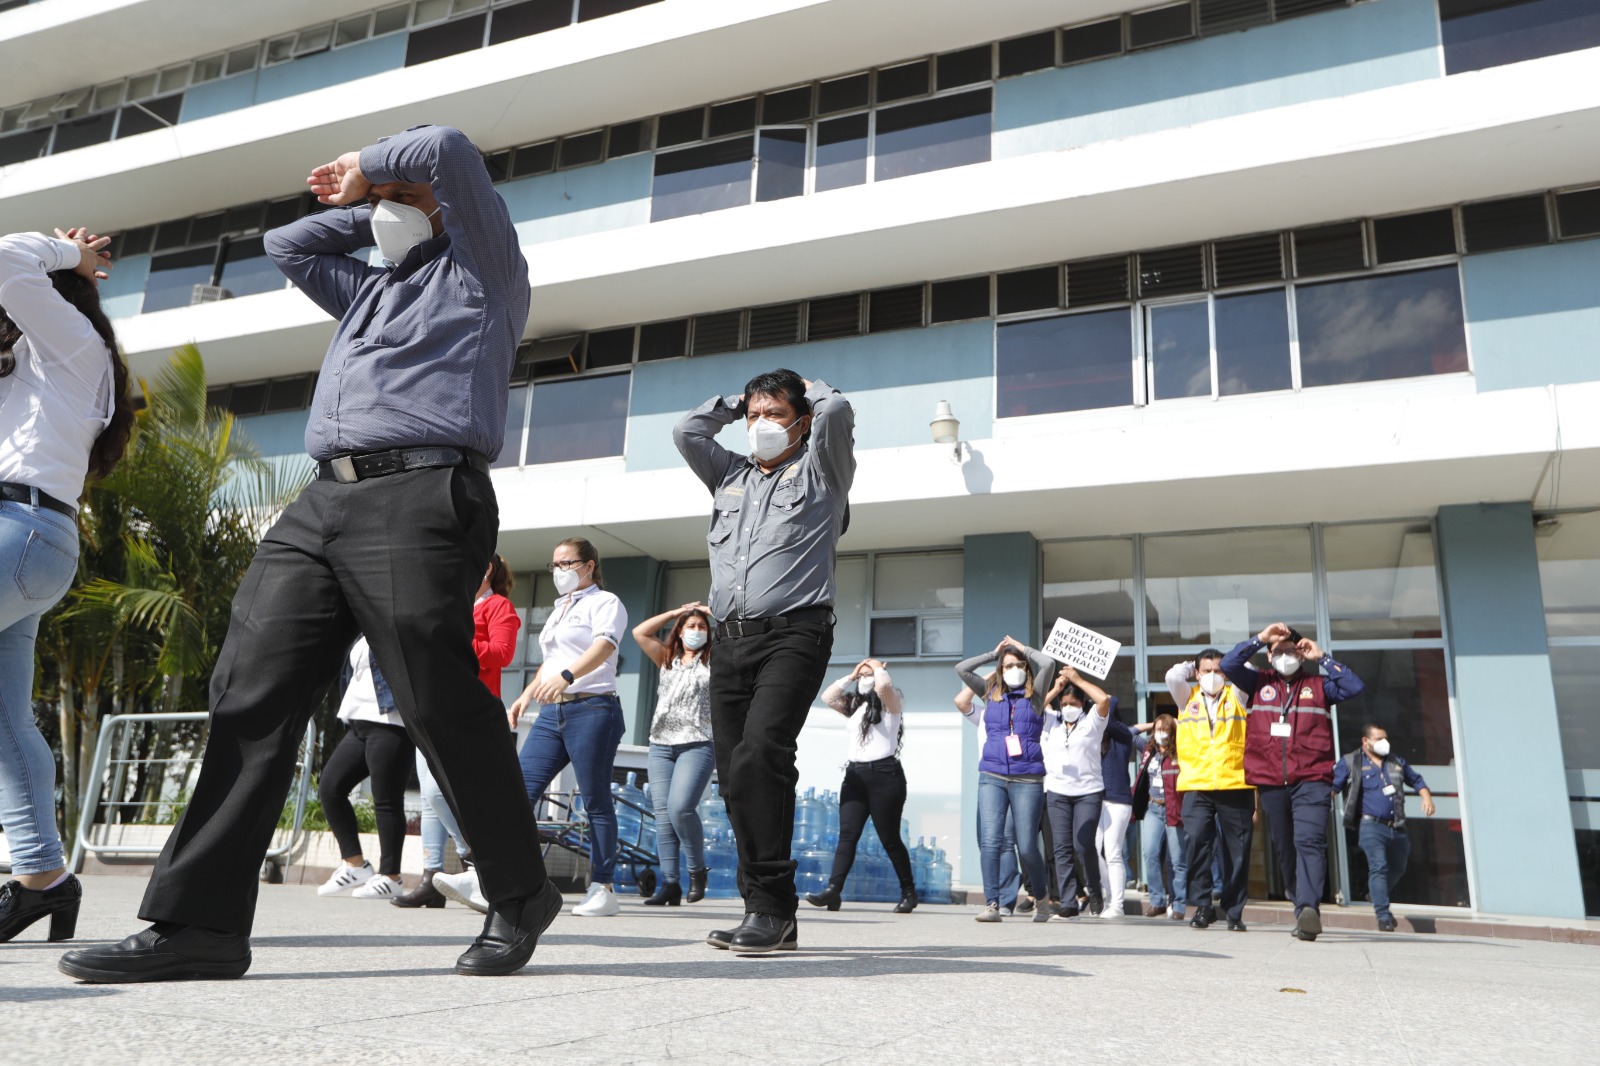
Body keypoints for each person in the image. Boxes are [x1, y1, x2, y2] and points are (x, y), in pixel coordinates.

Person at [61, 125, 558, 983]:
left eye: (407, 200)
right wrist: (366, 210)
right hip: (322, 498)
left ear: (449, 213)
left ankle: (520, 892)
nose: (391, 210)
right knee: (248, 689)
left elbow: (446, 147)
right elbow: (286, 242)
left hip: (424, 489)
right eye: (383, 205)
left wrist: (373, 169)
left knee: (436, 695)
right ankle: (200, 926)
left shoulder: (484, 268)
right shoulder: (367, 291)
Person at [674, 369, 854, 954]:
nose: (760, 426)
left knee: (761, 755)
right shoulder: (730, 475)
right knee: (735, 776)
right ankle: (765, 911)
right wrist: (735, 403)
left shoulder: (822, 470)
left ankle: (774, 907)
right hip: (728, 642)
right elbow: (686, 432)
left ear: (801, 421)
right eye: (754, 417)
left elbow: (837, 412)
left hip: (794, 635)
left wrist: (809, 386)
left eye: (774, 415)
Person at [0, 227, 131, 945]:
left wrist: (65, 252)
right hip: (31, 537)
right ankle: (44, 879)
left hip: (17, 529)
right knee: (6, 725)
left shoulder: (71, 340)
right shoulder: (32, 364)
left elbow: (2, 259)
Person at [499, 538, 629, 919]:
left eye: (567, 563)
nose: (559, 571)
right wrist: (526, 694)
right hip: (551, 714)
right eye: (554, 565)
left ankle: (603, 887)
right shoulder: (559, 609)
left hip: (593, 708)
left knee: (595, 800)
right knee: (519, 793)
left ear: (589, 566)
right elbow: (552, 660)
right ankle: (507, 878)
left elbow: (605, 646)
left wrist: (569, 677)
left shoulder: (606, 603)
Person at [1223, 623, 1365, 943]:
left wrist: (1323, 658)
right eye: (1279, 651)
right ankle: (1296, 895)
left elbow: (1354, 686)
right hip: (1271, 780)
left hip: (1312, 778)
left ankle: (1307, 909)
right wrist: (1260, 639)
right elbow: (1228, 664)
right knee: (1285, 847)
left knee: (1309, 841)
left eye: (1292, 650)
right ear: (1269, 655)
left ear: (1301, 654)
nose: (1285, 655)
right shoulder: (1257, 682)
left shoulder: (1319, 685)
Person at [394, 554, 519, 909]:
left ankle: (477, 860)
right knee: (429, 799)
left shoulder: (498, 607)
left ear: (487, 569)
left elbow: (502, 653)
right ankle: (433, 878)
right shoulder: (452, 606)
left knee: (440, 793)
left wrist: (453, 641)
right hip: (432, 706)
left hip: (466, 710)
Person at [957, 638, 1056, 924]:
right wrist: (993, 653)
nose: (1013, 669)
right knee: (990, 842)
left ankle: (1041, 897)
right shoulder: (990, 692)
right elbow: (962, 668)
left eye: (1018, 665)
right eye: (1007, 665)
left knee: (1026, 846)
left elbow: (1048, 663)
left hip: (1028, 779)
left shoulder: (1036, 695)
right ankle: (992, 904)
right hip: (992, 775)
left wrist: (1021, 647)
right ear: (1000, 669)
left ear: (1026, 667)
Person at [807, 658, 916, 914]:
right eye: (862, 675)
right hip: (854, 775)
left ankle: (909, 892)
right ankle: (833, 891)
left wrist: (878, 669)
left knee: (889, 838)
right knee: (847, 835)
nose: (866, 678)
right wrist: (852, 675)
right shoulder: (856, 705)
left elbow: (885, 688)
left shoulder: (891, 704)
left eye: (870, 675)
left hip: (885, 775)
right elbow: (828, 697)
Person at [315, 637, 414, 900]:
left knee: (387, 800)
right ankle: (355, 864)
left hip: (391, 721)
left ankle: (391, 876)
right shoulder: (360, 631)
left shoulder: (391, 621)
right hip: (358, 720)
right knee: (330, 787)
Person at [633, 601, 716, 907]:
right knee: (664, 816)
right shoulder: (668, 659)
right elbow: (640, 632)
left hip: (698, 741)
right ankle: (670, 885)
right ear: (679, 632)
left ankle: (697, 871)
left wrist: (711, 613)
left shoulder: (714, 660)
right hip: (660, 744)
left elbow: (737, 641)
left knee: (681, 808)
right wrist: (674, 614)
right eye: (691, 626)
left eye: (701, 627)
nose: (696, 631)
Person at [1166, 652, 1254, 931]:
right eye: (1207, 670)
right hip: (1196, 784)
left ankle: (1234, 911)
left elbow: (1249, 667)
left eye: (1219, 670)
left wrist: (1230, 664)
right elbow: (1172, 675)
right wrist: (1192, 665)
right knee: (1197, 843)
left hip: (1234, 782)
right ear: (1197, 673)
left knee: (1237, 850)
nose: (1213, 675)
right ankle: (1203, 905)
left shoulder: (1237, 695)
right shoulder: (1186, 696)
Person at [1334, 724, 1434, 933]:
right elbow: (1332, 787)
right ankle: (1383, 915)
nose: (1383, 743)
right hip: (1370, 826)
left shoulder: (1396, 761)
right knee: (1378, 866)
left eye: (1385, 738)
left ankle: (1375, 894)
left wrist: (1426, 797)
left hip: (1397, 826)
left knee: (1398, 866)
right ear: (1365, 741)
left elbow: (1416, 780)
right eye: (1378, 738)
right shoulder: (1352, 761)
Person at [1039, 666, 1112, 919]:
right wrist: (1057, 688)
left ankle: (1094, 891)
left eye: (1073, 702)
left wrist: (1078, 680)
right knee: (1061, 847)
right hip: (1057, 791)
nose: (1068, 706)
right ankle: (1068, 901)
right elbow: (1032, 707)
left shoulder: (1092, 721)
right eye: (1065, 703)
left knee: (1083, 845)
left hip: (1088, 792)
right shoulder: (1052, 721)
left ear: (1082, 704)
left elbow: (1104, 700)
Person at [955, 685, 1025, 915]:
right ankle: (992, 899)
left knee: (1005, 841)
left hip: (1015, 781)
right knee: (987, 842)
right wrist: (991, 674)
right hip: (988, 781)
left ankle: (1005, 900)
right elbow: (961, 701)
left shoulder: (1020, 712)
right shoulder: (984, 715)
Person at [1131, 714, 1185, 919]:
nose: (1161, 733)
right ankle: (1157, 901)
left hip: (1174, 808)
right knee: (1150, 854)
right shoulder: (1148, 749)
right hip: (1154, 808)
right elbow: (1129, 732)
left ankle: (1178, 904)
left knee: (1177, 860)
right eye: (1158, 729)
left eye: (1165, 729)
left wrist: (1179, 724)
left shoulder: (1181, 750)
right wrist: (1152, 725)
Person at [1095, 698, 1137, 920]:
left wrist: (1107, 700)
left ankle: (1118, 904)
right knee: (1091, 850)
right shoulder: (1097, 739)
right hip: (1097, 800)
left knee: (1112, 852)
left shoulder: (1123, 736)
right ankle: (1109, 895)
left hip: (1118, 801)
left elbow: (1109, 712)